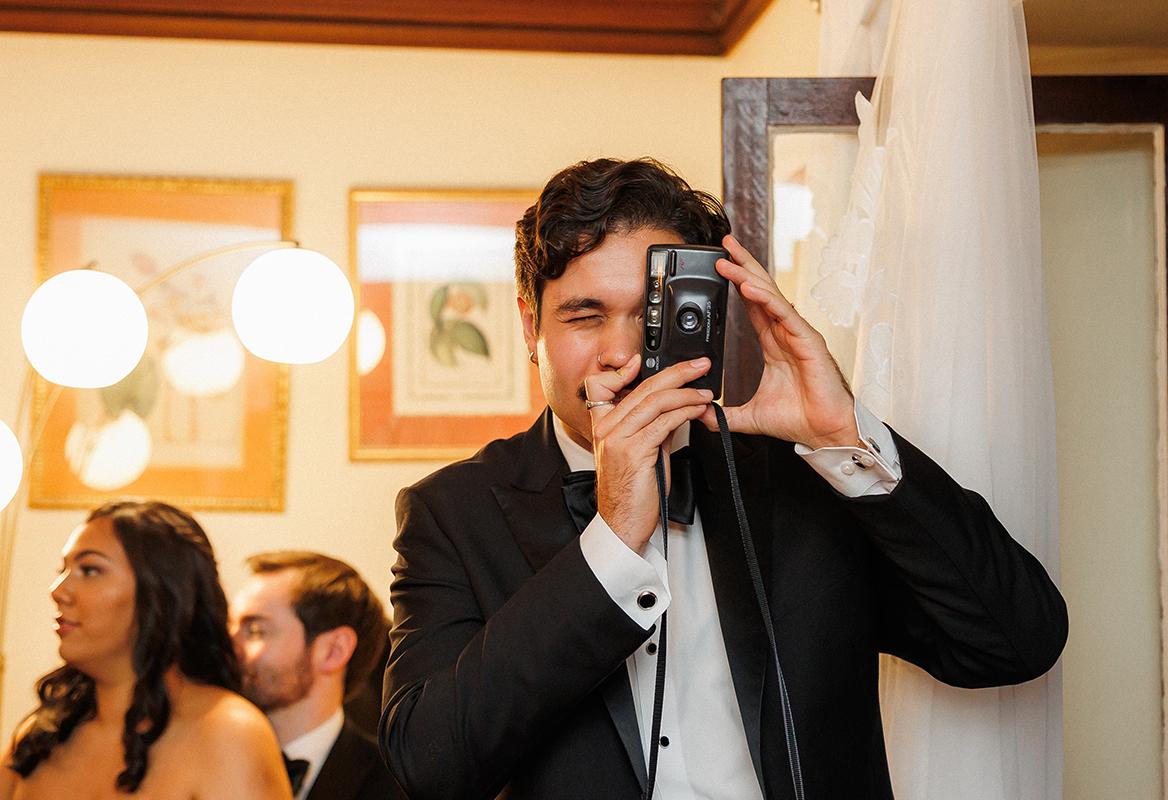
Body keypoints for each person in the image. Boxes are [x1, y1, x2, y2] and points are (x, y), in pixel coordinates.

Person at [380, 157, 1069, 799]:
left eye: (651, 317)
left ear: (707, 318)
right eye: (585, 316)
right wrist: (613, 541)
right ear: (531, 327)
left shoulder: (800, 479)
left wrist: (845, 436)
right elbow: (427, 767)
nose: (621, 353)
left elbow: (1015, 641)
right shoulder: (453, 512)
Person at [0, 500, 291, 799]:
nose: (58, 591)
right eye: (63, 569)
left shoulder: (228, 734)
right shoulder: (40, 736)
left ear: (161, 593)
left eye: (89, 570)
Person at [230, 551, 397, 800]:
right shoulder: (199, 757)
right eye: (228, 627)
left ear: (333, 651)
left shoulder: (396, 785)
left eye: (255, 630)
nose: (229, 646)